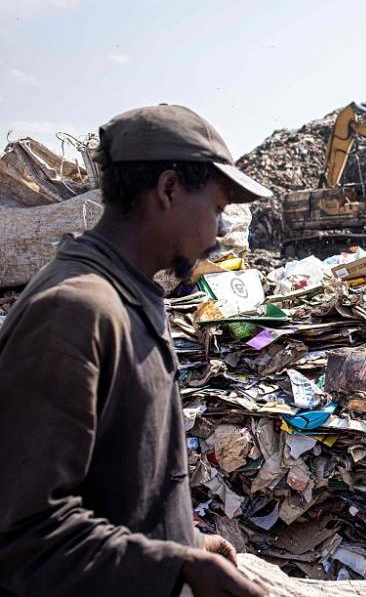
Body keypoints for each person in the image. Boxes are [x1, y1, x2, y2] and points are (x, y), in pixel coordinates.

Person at [0, 105, 273, 596]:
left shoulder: (129, 294)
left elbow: (115, 487)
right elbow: (25, 534)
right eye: (216, 208)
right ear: (168, 189)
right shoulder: (74, 312)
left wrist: (185, 542)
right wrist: (178, 569)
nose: (218, 232)